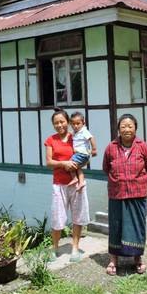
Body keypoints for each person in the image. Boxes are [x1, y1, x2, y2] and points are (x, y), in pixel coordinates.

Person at [102, 113, 147, 275]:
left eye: (130, 126)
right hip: (117, 195)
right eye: (123, 126)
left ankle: (137, 259)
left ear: (135, 128)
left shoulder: (143, 147)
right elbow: (106, 168)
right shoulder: (111, 147)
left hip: (137, 193)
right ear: (118, 129)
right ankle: (113, 260)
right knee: (116, 226)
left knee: (137, 227)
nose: (127, 129)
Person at [44, 108, 90, 262]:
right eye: (56, 123)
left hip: (77, 184)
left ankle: (75, 248)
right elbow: (49, 162)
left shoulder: (76, 137)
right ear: (53, 124)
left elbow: (86, 155)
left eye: (62, 121)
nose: (59, 125)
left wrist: (78, 164)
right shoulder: (51, 140)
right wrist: (64, 163)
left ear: (68, 123)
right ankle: (55, 247)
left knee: (78, 216)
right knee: (57, 218)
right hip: (59, 184)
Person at [67, 112, 97, 191]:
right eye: (73, 124)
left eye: (78, 123)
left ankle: (74, 178)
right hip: (80, 154)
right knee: (78, 168)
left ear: (83, 123)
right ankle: (81, 182)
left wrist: (94, 149)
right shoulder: (75, 132)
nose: (75, 126)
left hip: (82, 154)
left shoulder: (84, 131)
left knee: (70, 164)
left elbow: (91, 138)